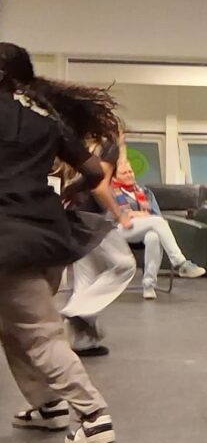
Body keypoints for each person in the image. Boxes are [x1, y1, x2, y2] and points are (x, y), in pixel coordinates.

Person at [0, 41, 127, 443]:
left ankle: (92, 416)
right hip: (50, 239)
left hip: (8, 244)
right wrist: (68, 191)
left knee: (38, 334)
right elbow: (93, 172)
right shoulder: (45, 122)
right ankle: (46, 404)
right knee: (14, 326)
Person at [57, 122, 136, 357]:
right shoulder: (109, 146)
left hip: (71, 214)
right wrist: (120, 215)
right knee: (124, 265)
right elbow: (100, 187)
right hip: (91, 216)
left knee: (86, 278)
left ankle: (83, 342)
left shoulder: (79, 146)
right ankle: (76, 310)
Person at [110, 159, 206, 300]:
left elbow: (156, 215)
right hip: (118, 231)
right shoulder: (111, 193)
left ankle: (149, 285)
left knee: (153, 236)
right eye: (124, 173)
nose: (129, 175)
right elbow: (112, 216)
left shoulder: (145, 192)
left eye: (130, 171)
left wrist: (138, 215)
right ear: (114, 177)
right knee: (157, 222)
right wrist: (134, 215)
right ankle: (181, 263)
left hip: (140, 230)